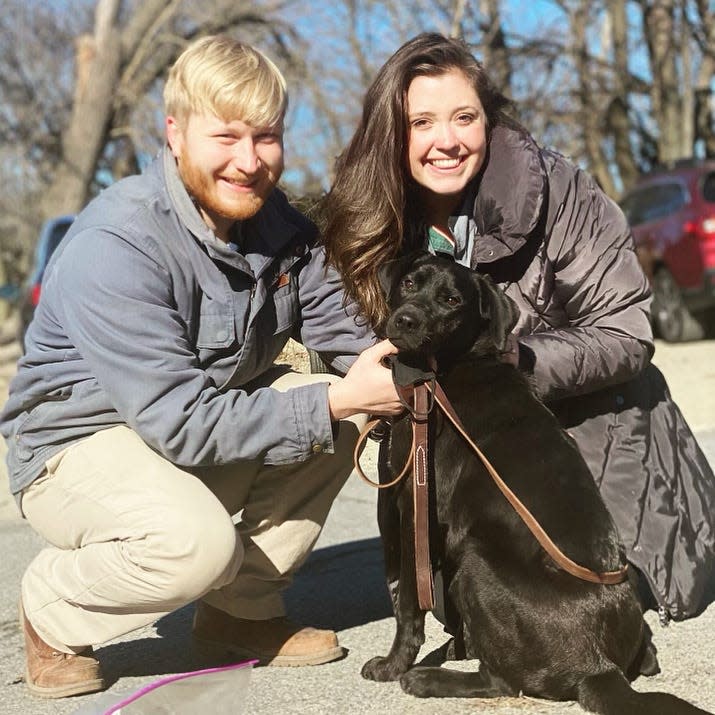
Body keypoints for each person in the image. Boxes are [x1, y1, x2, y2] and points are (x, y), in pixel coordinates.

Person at [0, 35, 404, 699]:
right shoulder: (120, 242)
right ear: (176, 132)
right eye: (227, 136)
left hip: (186, 428)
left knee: (355, 399)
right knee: (195, 541)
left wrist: (416, 381)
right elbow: (180, 422)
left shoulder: (283, 230)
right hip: (73, 449)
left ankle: (239, 614)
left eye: (266, 136)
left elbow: (349, 343)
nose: (249, 161)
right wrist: (333, 402)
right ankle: (52, 607)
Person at [321, 32, 715, 624]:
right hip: (460, 449)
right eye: (421, 122)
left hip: (591, 432)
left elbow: (626, 331)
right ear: (392, 132)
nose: (445, 141)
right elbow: (348, 339)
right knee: (489, 618)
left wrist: (508, 362)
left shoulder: (562, 192)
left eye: (463, 117)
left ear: (489, 119)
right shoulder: (366, 219)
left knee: (581, 609)